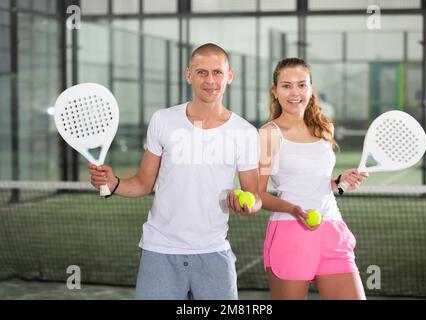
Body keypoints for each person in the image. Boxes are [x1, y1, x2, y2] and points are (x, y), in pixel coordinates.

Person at [88, 43, 262, 300]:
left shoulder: (245, 132)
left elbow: (255, 195)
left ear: (229, 76)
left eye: (217, 72)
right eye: (202, 72)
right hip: (159, 250)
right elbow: (143, 183)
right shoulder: (163, 120)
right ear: (189, 75)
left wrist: (247, 205)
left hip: (213, 252)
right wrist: (113, 183)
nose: (210, 80)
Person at [258, 57, 368, 300]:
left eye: (301, 84)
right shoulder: (268, 134)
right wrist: (295, 210)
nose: (294, 93)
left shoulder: (324, 128)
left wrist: (339, 182)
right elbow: (259, 195)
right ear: (275, 91)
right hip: (290, 233)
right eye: (286, 85)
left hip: (331, 229)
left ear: (311, 89)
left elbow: (314, 180)